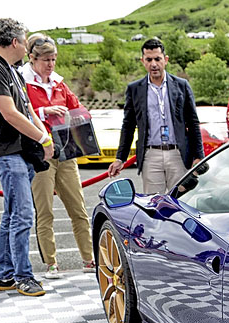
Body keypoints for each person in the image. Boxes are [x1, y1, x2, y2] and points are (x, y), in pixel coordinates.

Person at [0, 18, 53, 297]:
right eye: (25, 41)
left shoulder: (12, 70)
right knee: (23, 214)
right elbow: (9, 113)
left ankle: (6, 275)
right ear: (14, 42)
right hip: (4, 152)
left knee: (12, 214)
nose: (27, 47)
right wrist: (42, 139)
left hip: (19, 152)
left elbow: (28, 109)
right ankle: (23, 276)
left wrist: (44, 136)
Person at [19, 33, 95, 279]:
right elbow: (19, 114)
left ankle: (89, 259)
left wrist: (81, 115)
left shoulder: (59, 83)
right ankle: (51, 263)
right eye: (46, 60)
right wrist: (44, 111)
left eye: (53, 59)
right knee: (45, 212)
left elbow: (76, 108)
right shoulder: (22, 81)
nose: (50, 64)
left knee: (78, 209)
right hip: (39, 153)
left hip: (65, 150)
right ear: (32, 58)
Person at [107, 38, 203, 194]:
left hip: (178, 154)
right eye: (149, 60)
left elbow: (193, 123)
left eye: (157, 59)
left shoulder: (181, 85)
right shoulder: (134, 89)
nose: (153, 64)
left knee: (181, 201)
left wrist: (199, 156)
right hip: (151, 156)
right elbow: (128, 125)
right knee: (153, 203)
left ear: (165, 60)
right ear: (142, 61)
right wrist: (120, 158)